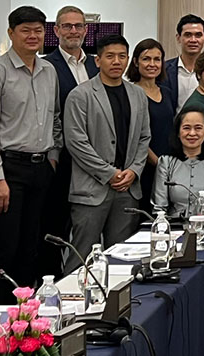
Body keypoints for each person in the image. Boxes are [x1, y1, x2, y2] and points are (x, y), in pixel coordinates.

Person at [0, 6, 62, 305]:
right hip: (8, 171)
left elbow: (53, 117)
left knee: (31, 248)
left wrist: (52, 157)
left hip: (40, 168)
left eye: (38, 30)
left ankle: (24, 317)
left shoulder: (48, 70)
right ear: (11, 33)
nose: (33, 35)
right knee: (5, 249)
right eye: (25, 30)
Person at [64, 34, 151, 271]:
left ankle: (117, 306)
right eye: (110, 56)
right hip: (92, 190)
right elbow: (76, 142)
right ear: (98, 60)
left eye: (122, 56)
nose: (117, 61)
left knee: (122, 258)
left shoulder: (137, 95)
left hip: (127, 189)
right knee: (81, 258)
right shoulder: (80, 95)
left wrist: (134, 170)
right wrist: (109, 173)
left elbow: (144, 137)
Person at [41, 5, 98, 277]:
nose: (73, 31)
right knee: (55, 226)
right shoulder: (45, 65)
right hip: (61, 159)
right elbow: (47, 113)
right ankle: (51, 284)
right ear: (56, 30)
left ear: (86, 30)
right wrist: (53, 155)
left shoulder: (95, 64)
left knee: (88, 229)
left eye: (78, 26)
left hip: (95, 161)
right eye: (67, 26)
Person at [127, 38, 176, 213]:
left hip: (168, 166)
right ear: (135, 62)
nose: (152, 64)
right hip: (144, 167)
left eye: (157, 59)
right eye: (146, 59)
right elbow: (136, 136)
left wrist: (170, 165)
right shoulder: (130, 93)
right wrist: (158, 163)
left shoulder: (167, 92)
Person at [153, 105, 204, 219]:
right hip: (174, 228)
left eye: (198, 128)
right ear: (178, 132)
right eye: (186, 128)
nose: (192, 133)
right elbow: (159, 208)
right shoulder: (165, 163)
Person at [160, 14, 204, 112]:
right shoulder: (164, 70)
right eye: (188, 35)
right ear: (178, 38)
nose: (193, 40)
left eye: (198, 35)